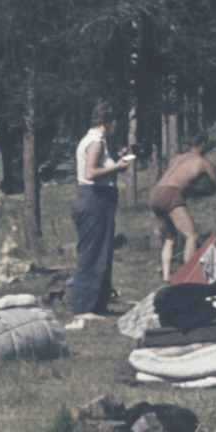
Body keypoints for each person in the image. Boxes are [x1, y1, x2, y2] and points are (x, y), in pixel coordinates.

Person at [70, 101, 135, 321]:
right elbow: (90, 173)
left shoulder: (99, 142)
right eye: (115, 121)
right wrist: (117, 166)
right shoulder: (95, 142)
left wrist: (115, 160)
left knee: (102, 253)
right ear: (108, 121)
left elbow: (100, 169)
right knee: (91, 252)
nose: (117, 126)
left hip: (101, 199)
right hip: (93, 198)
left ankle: (97, 304)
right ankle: (83, 308)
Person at [149, 133, 216, 281]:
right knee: (192, 236)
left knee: (170, 238)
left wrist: (199, 193)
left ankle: (166, 275)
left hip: (155, 194)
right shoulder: (203, 163)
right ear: (203, 144)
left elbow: (180, 182)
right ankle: (189, 276)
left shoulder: (176, 159)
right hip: (171, 194)